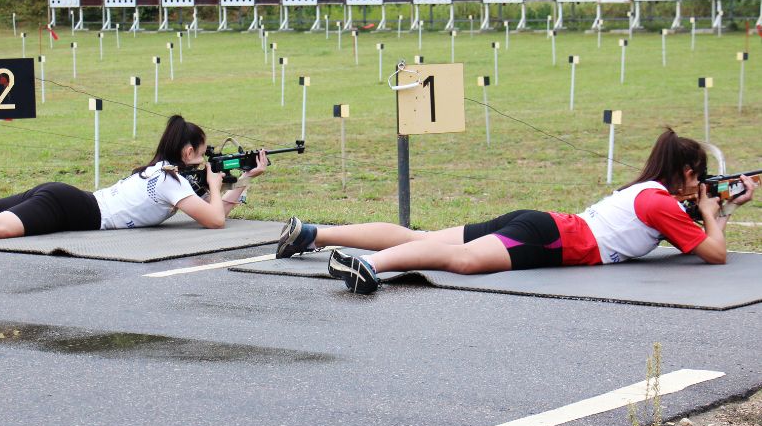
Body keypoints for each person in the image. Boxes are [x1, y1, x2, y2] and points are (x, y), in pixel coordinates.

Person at [276, 128, 756, 294]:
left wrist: (718, 207)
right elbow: (713, 253)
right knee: (460, 261)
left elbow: (698, 237)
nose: (700, 184)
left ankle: (316, 234)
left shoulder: (650, 193)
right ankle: (369, 266)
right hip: (552, 238)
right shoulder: (660, 202)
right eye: (699, 176)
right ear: (688, 173)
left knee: (416, 237)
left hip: (541, 224)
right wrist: (716, 212)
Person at [0, 115, 267, 256]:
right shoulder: (171, 182)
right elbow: (213, 221)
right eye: (202, 150)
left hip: (65, 197)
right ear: (188, 151)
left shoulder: (160, 172)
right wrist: (215, 183)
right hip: (72, 209)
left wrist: (244, 179)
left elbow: (210, 211)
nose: (207, 155)